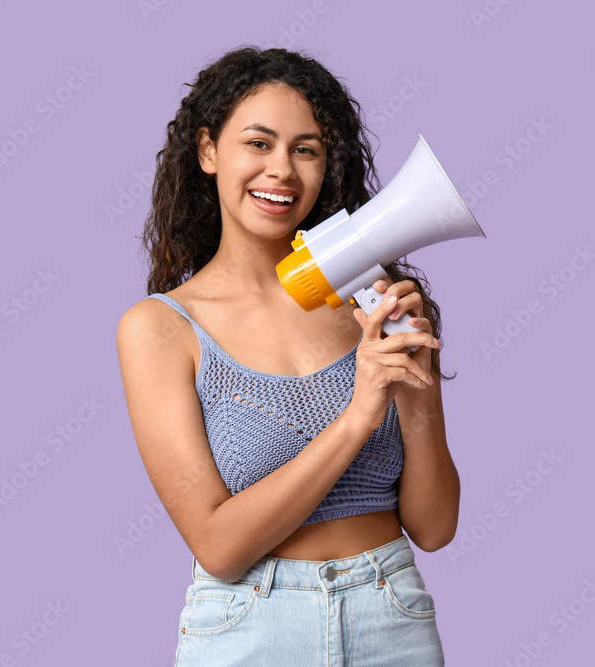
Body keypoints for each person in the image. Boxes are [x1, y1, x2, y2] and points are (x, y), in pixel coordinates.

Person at [115, 46, 459, 665]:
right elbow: (219, 546)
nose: (283, 171)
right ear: (208, 151)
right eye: (258, 143)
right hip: (251, 625)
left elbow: (434, 528)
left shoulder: (368, 307)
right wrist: (357, 414)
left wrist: (418, 389)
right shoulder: (161, 330)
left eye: (306, 149)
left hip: (393, 616)